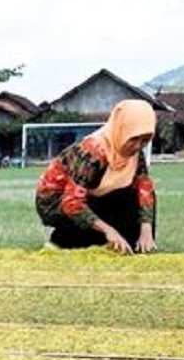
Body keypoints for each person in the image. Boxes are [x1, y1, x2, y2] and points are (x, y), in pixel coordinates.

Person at [35, 99, 158, 254]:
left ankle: (143, 245)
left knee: (143, 194)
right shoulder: (92, 152)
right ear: (121, 129)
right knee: (116, 202)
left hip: (96, 198)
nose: (138, 146)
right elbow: (71, 202)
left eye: (145, 140)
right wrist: (109, 231)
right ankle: (60, 239)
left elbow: (144, 186)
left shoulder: (134, 154)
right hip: (58, 204)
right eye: (133, 139)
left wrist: (146, 230)